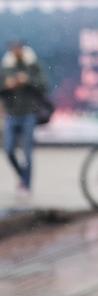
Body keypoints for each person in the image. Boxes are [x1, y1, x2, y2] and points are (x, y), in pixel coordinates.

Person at [1, 40, 48, 198]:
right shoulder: (6, 66)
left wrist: (28, 80)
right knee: (8, 150)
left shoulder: (32, 64)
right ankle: (22, 177)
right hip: (12, 113)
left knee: (27, 153)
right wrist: (8, 85)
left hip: (29, 113)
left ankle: (26, 185)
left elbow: (43, 85)